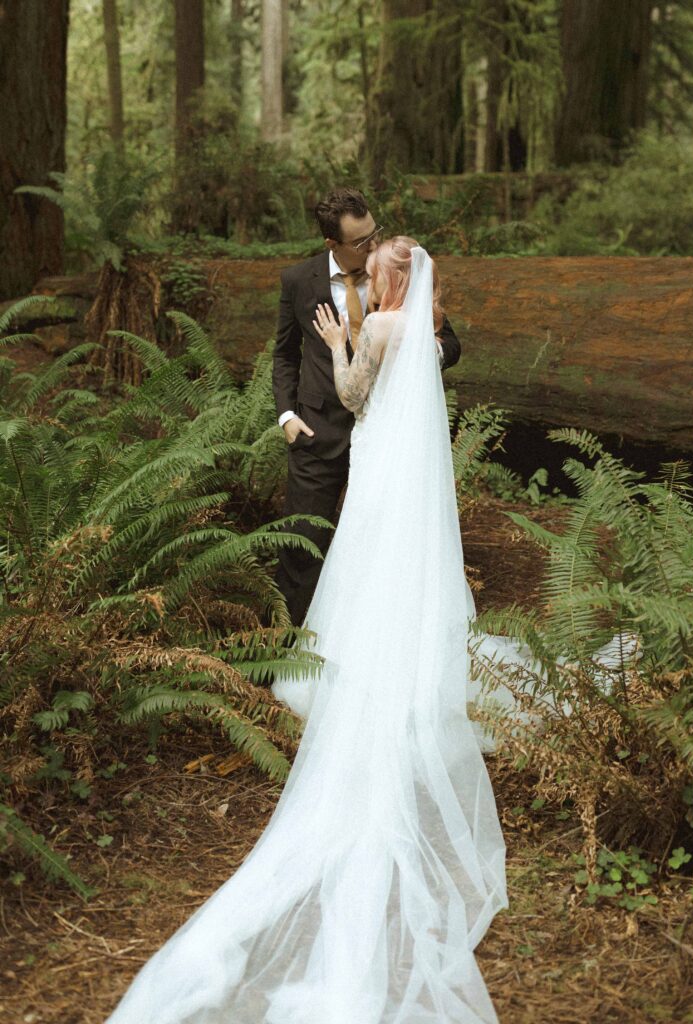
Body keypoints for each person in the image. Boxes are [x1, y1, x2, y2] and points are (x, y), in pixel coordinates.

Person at [102, 238, 509, 1024]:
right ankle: (415, 651)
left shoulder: (387, 328)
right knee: (409, 565)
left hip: (381, 460)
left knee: (365, 564)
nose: (368, 282)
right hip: (414, 469)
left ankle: (362, 654)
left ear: (389, 280)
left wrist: (336, 343)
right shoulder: (424, 330)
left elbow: (355, 395)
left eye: (376, 274)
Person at [272, 186, 462, 628]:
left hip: (386, 441)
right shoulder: (299, 281)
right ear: (331, 244)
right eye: (360, 242)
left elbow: (448, 343)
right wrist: (287, 415)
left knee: (376, 551)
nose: (373, 245)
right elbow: (284, 354)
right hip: (317, 432)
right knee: (302, 546)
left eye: (374, 233)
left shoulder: (397, 272)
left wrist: (417, 352)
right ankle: (283, 657)